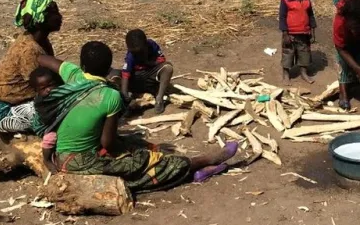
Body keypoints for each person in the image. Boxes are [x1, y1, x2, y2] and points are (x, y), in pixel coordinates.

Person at [36, 41, 237, 191]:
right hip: (78, 163)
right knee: (142, 163)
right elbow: (108, 143)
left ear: (82, 65)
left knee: (134, 142)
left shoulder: (73, 74)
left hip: (60, 154)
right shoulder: (110, 96)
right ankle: (201, 163)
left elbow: (42, 58)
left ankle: (195, 172)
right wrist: (131, 155)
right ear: (108, 69)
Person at [0, 0, 62, 135]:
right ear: (40, 19)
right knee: (58, 109)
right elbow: (41, 88)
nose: (59, 17)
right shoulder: (29, 50)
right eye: (54, 13)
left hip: (2, 101)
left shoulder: (38, 41)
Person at [120, 29, 173, 114]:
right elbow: (125, 74)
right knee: (116, 76)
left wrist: (149, 63)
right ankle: (129, 99)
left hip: (151, 74)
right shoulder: (131, 56)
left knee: (168, 68)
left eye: (141, 52)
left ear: (146, 45)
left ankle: (159, 98)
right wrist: (124, 94)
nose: (138, 56)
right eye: (135, 54)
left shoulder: (152, 45)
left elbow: (161, 59)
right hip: (136, 79)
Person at [279, 0, 317, 84]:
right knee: (288, 55)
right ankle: (286, 74)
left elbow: (310, 15)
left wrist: (313, 30)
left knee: (304, 54)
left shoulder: (306, 0)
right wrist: (285, 33)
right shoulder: (285, 1)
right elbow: (282, 17)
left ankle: (303, 73)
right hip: (290, 35)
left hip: (304, 34)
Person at [28, 67, 64, 173]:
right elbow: (48, 119)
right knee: (50, 138)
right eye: (43, 88)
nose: (48, 90)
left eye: (51, 85)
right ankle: (47, 160)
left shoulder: (62, 92)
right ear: (37, 91)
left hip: (53, 122)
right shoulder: (41, 102)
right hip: (45, 126)